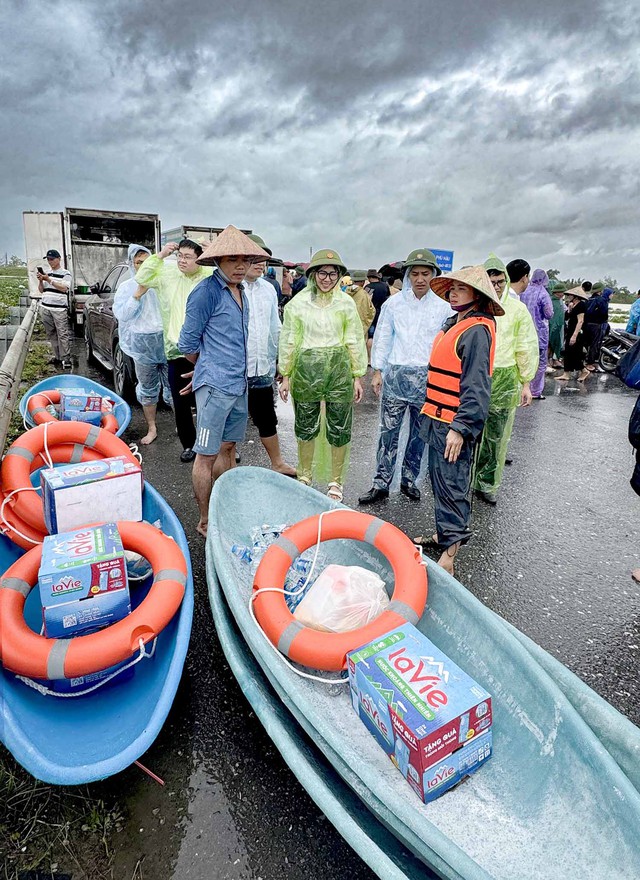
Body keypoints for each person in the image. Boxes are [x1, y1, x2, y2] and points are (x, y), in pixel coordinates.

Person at [178, 226, 271, 537]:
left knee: (228, 447)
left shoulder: (240, 291)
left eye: (245, 260)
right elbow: (187, 343)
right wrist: (206, 368)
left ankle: (225, 507)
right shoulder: (205, 293)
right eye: (232, 260)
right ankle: (205, 520)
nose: (240, 266)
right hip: (216, 387)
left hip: (238, 385)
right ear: (218, 260)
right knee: (206, 453)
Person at [415, 266, 503, 576]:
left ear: (477, 296)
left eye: (461, 289)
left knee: (452, 485)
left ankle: (449, 558)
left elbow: (477, 387)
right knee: (439, 482)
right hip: (437, 418)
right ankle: (443, 535)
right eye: (451, 287)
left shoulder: (477, 330)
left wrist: (461, 429)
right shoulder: (456, 322)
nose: (452, 292)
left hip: (453, 424)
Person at [359, 249, 451, 505]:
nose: (420, 279)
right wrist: (378, 370)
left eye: (426, 274)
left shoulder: (444, 308)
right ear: (408, 275)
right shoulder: (394, 305)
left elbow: (445, 346)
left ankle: (410, 480)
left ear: (433, 275)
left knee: (419, 435)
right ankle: (381, 483)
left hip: (427, 378)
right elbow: (384, 337)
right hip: (396, 375)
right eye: (415, 274)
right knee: (388, 432)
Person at [278, 249, 367, 502]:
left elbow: (354, 339)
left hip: (339, 371)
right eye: (322, 273)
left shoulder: (346, 303)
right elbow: (289, 340)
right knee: (306, 425)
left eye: (332, 273)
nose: (327, 279)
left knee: (339, 427)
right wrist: (286, 374)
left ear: (339, 276)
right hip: (306, 371)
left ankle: (336, 481)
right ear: (312, 275)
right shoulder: (298, 304)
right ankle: (305, 475)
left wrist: (356, 375)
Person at [135, 238, 212, 462]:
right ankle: (189, 444)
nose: (182, 261)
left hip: (206, 351)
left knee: (209, 400)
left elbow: (227, 275)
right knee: (180, 401)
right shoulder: (167, 274)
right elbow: (142, 277)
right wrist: (160, 256)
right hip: (176, 350)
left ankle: (219, 444)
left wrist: (211, 252)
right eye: (180, 256)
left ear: (199, 259)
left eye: (188, 257)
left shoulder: (208, 276)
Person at [472, 254, 538, 505]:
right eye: (491, 281)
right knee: (469, 432)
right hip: (475, 378)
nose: (496, 286)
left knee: (495, 436)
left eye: (500, 281)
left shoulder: (517, 310)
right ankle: (462, 479)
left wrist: (526, 382)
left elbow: (526, 347)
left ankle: (485, 483)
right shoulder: (474, 306)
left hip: (504, 378)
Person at [243, 242, 296, 476]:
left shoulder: (267, 289)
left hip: (262, 366)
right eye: (255, 260)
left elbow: (275, 327)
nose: (261, 264)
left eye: (263, 260)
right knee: (230, 422)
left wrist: (279, 361)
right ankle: (228, 468)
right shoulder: (229, 287)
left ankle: (277, 462)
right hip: (235, 369)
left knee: (266, 417)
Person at [113, 245, 172, 445]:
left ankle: (183, 427)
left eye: (148, 261)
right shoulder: (127, 287)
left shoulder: (164, 282)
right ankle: (152, 427)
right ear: (132, 264)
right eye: (139, 262)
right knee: (148, 388)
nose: (143, 266)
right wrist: (137, 294)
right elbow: (123, 315)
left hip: (167, 343)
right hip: (143, 346)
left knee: (175, 388)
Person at [520, 269, 554, 399]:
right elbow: (549, 314)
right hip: (539, 333)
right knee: (540, 363)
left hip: (524, 331)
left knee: (523, 360)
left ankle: (521, 388)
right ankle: (535, 391)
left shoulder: (525, 291)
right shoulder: (543, 294)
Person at [37, 249, 73, 369]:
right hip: (46, 307)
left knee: (62, 333)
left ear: (59, 259)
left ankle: (66, 358)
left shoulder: (65, 273)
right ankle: (57, 357)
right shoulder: (47, 273)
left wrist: (49, 280)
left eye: (52, 259)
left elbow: (64, 288)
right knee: (51, 334)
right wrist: (41, 281)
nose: (50, 261)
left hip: (59, 309)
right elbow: (41, 290)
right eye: (48, 259)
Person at [556, 286, 590, 381]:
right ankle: (566, 373)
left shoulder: (581, 306)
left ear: (575, 296)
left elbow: (580, 321)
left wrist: (574, 335)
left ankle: (584, 370)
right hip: (570, 331)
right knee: (568, 352)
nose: (569, 296)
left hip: (577, 333)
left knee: (575, 353)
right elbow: (566, 317)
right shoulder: (572, 305)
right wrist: (569, 309)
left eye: (571, 295)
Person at [584, 284, 613, 371]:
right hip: (597, 325)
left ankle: (586, 361)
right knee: (595, 344)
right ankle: (590, 363)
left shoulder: (588, 299)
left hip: (587, 324)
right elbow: (604, 314)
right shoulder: (602, 300)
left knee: (587, 343)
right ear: (600, 291)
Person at [365, 269, 390, 361]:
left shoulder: (368, 287)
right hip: (382, 313)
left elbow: (366, 301)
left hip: (372, 314)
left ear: (369, 278)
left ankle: (370, 358)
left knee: (371, 336)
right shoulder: (385, 286)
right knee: (381, 336)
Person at [343, 270, 375, 337]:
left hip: (346, 324)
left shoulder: (345, 291)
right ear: (362, 282)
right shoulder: (364, 294)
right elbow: (369, 311)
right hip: (358, 325)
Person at [548, 282, 567, 368]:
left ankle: (555, 359)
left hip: (560, 325)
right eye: (562, 292)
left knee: (557, 343)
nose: (563, 294)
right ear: (557, 292)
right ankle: (548, 360)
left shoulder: (560, 301)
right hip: (552, 325)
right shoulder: (550, 301)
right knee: (550, 343)